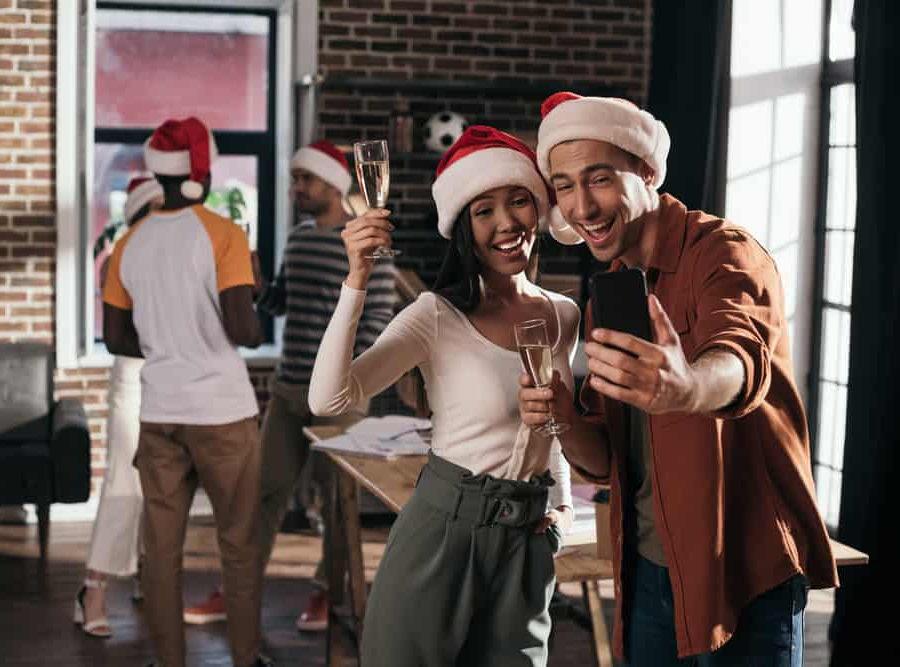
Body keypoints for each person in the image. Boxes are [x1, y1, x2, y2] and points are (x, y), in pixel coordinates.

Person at [518, 91, 838, 666]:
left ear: (646, 171)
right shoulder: (612, 291)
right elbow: (608, 458)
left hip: (742, 573)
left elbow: (738, 358)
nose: (581, 207)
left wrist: (686, 387)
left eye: (598, 179)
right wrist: (563, 418)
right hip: (646, 572)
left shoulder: (725, 253)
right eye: (563, 186)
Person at [309, 126, 578, 667]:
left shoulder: (562, 314)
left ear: (539, 207)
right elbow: (329, 399)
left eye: (519, 200)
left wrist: (564, 506)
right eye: (484, 210)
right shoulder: (436, 316)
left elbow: (552, 427)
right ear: (463, 227)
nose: (506, 222)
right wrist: (356, 279)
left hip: (526, 541)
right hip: (443, 533)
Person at [182, 141, 396, 631]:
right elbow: (283, 304)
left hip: (341, 396)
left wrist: (347, 378)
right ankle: (237, 587)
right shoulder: (298, 239)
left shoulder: (368, 242)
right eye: (296, 178)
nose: (296, 188)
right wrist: (260, 290)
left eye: (306, 179)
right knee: (261, 493)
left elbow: (378, 319)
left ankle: (327, 593)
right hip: (288, 388)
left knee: (336, 505)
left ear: (335, 184)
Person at [102, 116, 271, 667]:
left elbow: (118, 340)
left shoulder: (128, 243)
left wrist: (168, 340)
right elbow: (245, 331)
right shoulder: (224, 234)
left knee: (161, 554)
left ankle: (168, 660)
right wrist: (253, 283)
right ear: (202, 169)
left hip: (160, 415)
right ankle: (245, 659)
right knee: (239, 548)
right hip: (223, 415)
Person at [75, 176, 163, 638]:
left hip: (171, 378)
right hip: (133, 376)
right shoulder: (121, 257)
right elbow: (119, 335)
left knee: (164, 483)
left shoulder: (179, 253)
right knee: (125, 483)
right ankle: (93, 590)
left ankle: (150, 574)